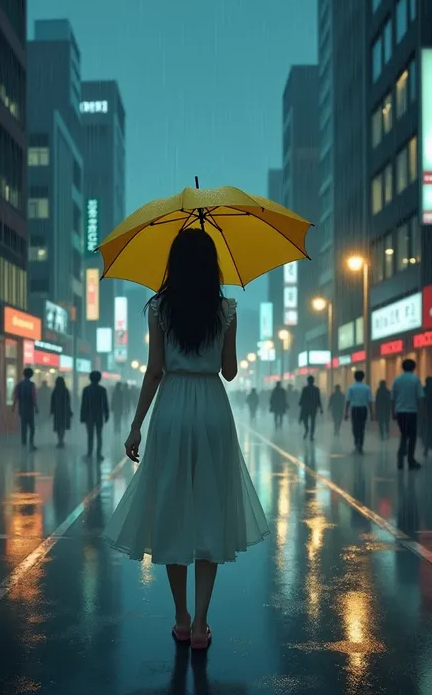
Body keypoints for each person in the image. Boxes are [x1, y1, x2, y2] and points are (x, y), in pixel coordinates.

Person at [102, 228, 269, 649]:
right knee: (210, 508)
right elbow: (229, 372)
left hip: (172, 408)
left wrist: (136, 424)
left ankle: (180, 617)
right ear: (212, 265)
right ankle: (201, 626)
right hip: (213, 409)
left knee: (172, 508)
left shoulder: (158, 308)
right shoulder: (226, 309)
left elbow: (154, 369)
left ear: (173, 264)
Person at [392, 359, 423, 470]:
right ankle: (410, 460)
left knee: (404, 435)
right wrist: (422, 412)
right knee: (412, 436)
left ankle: (400, 457)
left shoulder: (397, 380)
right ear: (414, 368)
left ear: (402, 367)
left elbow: (393, 398)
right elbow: (420, 397)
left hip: (400, 412)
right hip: (412, 412)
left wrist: (393, 412)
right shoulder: (415, 380)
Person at [80, 370, 109, 460]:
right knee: (99, 435)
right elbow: (105, 404)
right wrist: (106, 414)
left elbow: (83, 404)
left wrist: (82, 416)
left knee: (90, 435)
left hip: (89, 416)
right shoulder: (102, 390)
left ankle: (89, 453)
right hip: (99, 415)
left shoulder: (86, 390)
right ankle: (98, 454)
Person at [344, 370, 373, 455]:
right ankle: (361, 445)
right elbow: (370, 401)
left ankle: (356, 444)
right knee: (362, 427)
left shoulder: (351, 388)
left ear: (355, 377)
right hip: (363, 409)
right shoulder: (367, 388)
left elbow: (348, 400)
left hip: (355, 410)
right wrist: (372, 412)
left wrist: (346, 412)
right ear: (363, 377)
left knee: (355, 427)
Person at [13, 368, 38, 450]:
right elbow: (34, 397)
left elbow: (16, 396)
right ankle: (31, 443)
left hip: (22, 408)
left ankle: (23, 443)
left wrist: (13, 406)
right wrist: (36, 407)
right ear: (31, 375)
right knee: (32, 427)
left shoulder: (19, 385)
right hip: (29, 408)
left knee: (23, 426)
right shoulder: (32, 385)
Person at [50, 376, 72, 447]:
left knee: (58, 426)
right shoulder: (65, 390)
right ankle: (61, 440)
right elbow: (68, 402)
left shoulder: (55, 391)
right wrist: (69, 411)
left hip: (57, 411)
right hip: (64, 411)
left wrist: (52, 410)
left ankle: (59, 440)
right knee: (63, 426)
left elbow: (52, 402)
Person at [299, 376, 323, 441]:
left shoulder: (306, 389)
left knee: (307, 420)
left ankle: (308, 431)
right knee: (312, 422)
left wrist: (300, 403)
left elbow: (302, 398)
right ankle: (310, 433)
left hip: (308, 408)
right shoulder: (315, 389)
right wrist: (321, 408)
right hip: (312, 408)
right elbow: (318, 399)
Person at [423, 377, 432, 457]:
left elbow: (422, 402)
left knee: (427, 431)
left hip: (427, 414)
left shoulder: (424, 389)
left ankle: (426, 449)